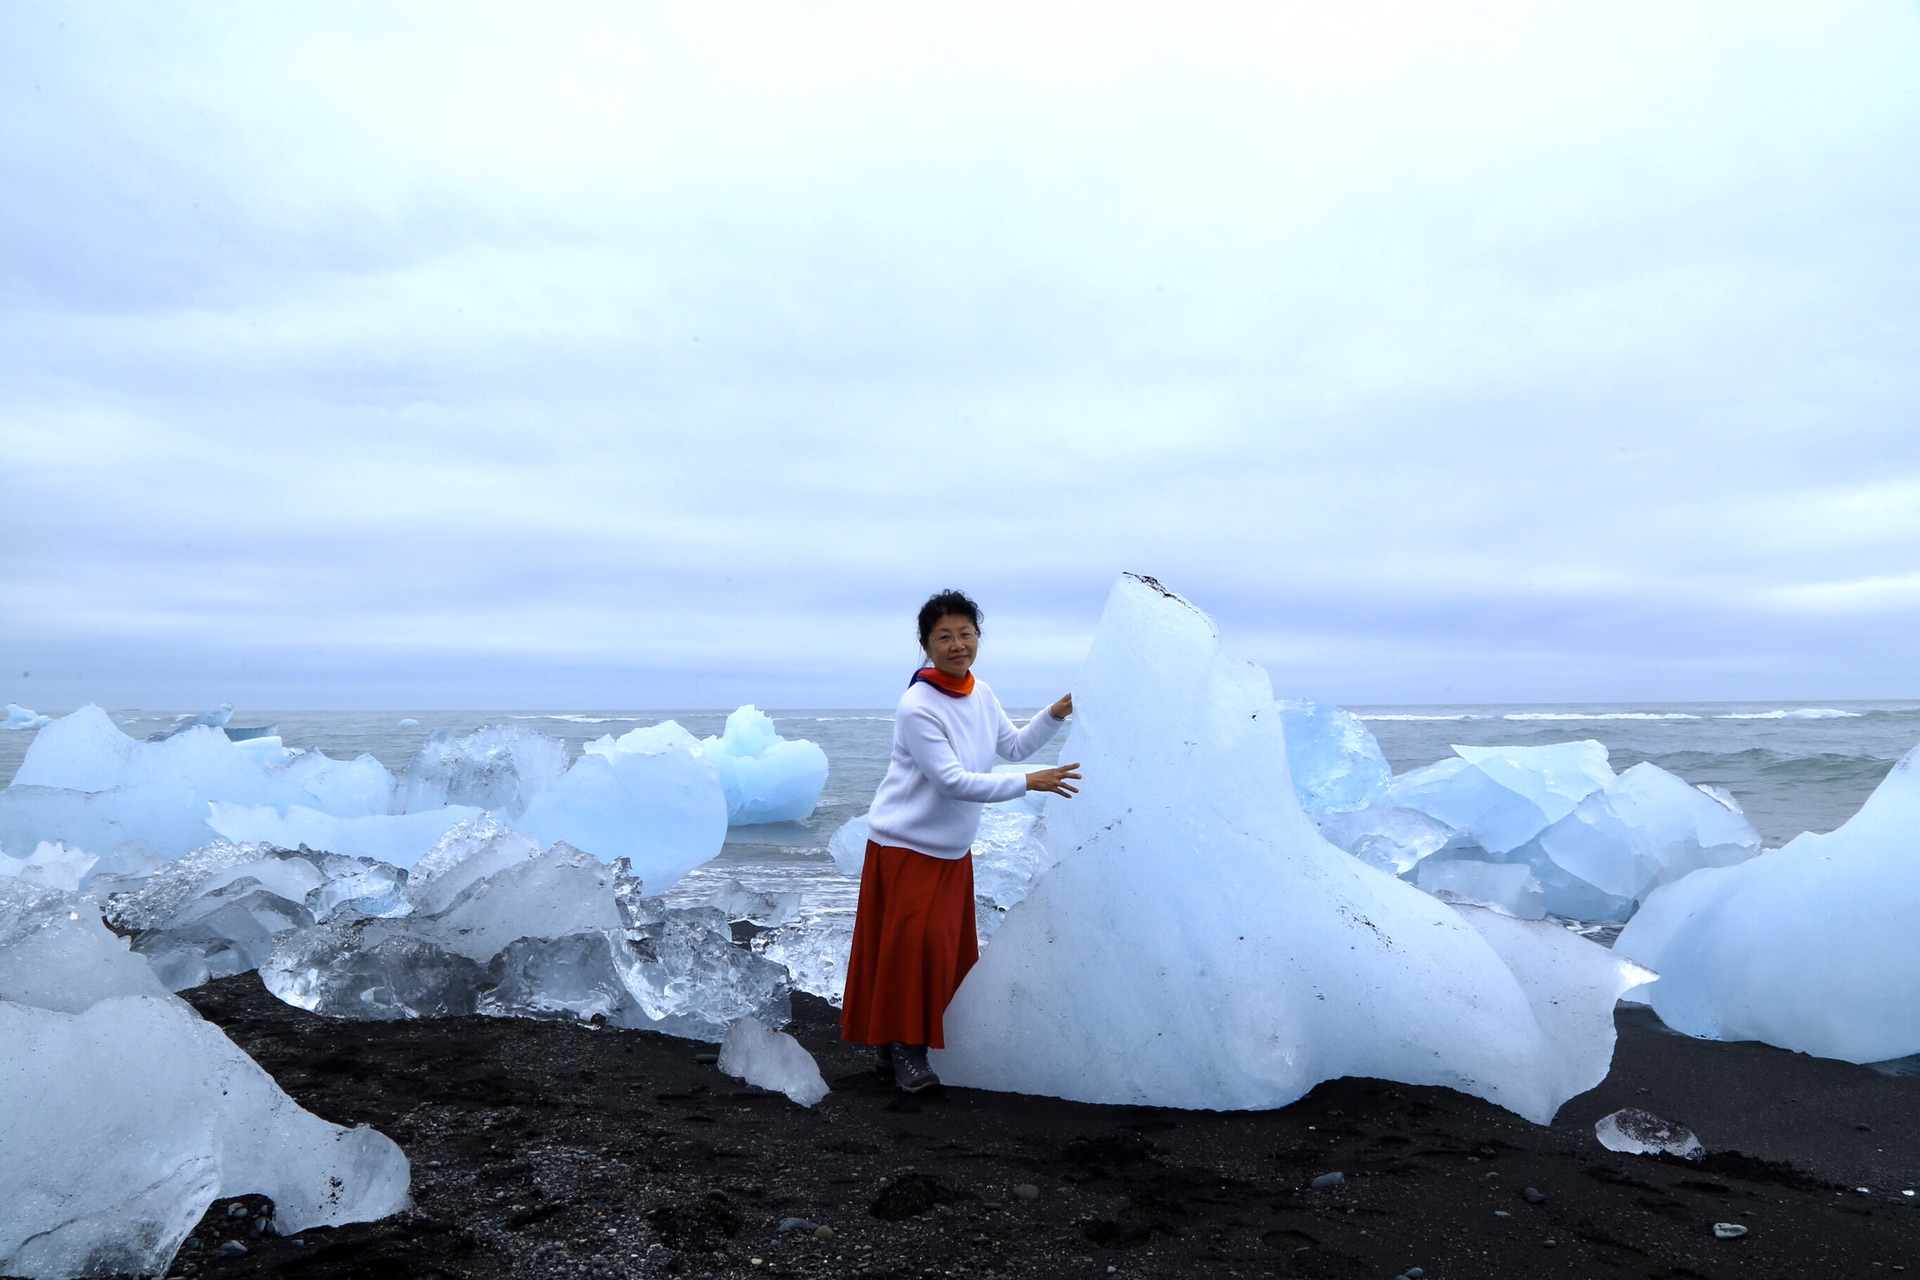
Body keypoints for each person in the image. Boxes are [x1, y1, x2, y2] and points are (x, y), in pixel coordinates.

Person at [840, 589, 1082, 1092]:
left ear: (978, 637)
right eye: (944, 637)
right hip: (904, 848)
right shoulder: (917, 705)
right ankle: (907, 1051)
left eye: (965, 633)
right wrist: (1029, 783)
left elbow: (1012, 745)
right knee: (911, 951)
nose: (957, 645)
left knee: (943, 951)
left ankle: (896, 1044)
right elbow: (950, 781)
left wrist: (1055, 714)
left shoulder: (981, 692)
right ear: (926, 645)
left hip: (950, 852)